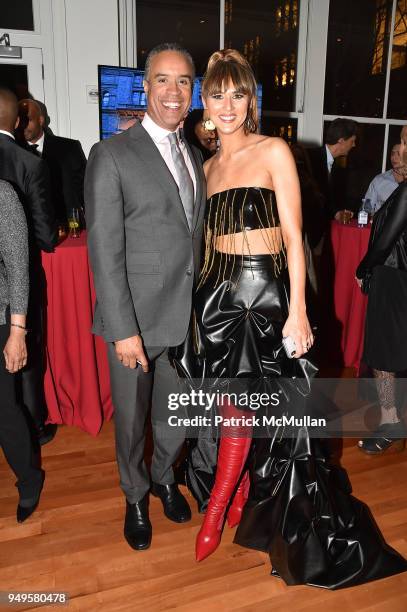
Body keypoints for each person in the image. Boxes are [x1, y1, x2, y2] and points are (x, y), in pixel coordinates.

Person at [172, 49, 407, 588]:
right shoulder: (207, 167)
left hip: (271, 296)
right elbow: (205, 245)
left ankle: (231, 511)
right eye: (216, 94)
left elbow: (296, 240)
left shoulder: (274, 151)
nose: (227, 105)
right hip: (220, 298)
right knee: (235, 411)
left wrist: (299, 309)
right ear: (203, 102)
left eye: (237, 94)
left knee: (281, 417)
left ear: (251, 100)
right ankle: (221, 507)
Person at [85, 43, 206, 552]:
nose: (173, 92)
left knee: (176, 417)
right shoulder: (111, 154)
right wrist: (122, 328)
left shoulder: (196, 155)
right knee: (133, 423)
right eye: (163, 80)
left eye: (183, 81)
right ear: (145, 85)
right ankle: (135, 496)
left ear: (192, 89)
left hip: (185, 317)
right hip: (134, 320)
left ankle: (162, 479)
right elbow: (104, 251)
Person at [0, 88, 57, 446]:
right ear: (18, 121)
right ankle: (33, 425)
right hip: (22, 279)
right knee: (27, 349)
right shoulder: (30, 163)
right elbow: (46, 234)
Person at [356, 126, 407, 454]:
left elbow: (387, 237)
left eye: (404, 141)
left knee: (383, 352)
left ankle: (390, 423)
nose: (400, 147)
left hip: (391, 276)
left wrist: (363, 268)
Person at [0, 180, 44, 522]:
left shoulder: (2, 193)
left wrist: (17, 332)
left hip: (0, 320)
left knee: (5, 407)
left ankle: (29, 478)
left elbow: (18, 268)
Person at [17, 99, 87, 223]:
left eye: (28, 120)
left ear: (41, 120)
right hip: (29, 230)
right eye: (19, 121)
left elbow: (86, 189)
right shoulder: (13, 151)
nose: (23, 126)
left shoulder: (70, 148)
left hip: (68, 228)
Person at [307, 118, 358, 223]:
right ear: (341, 141)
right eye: (352, 141)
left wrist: (336, 213)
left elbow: (326, 200)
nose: (354, 145)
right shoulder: (311, 157)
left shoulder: (336, 167)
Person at [363, 141, 405, 214]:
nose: (394, 157)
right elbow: (367, 208)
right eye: (392, 153)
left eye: (398, 153)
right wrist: (368, 213)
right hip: (381, 224)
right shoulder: (380, 180)